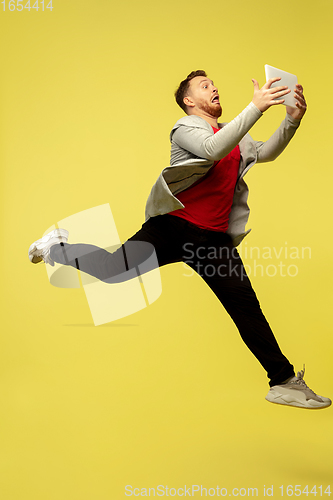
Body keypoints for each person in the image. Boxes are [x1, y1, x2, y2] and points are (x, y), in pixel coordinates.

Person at [29, 70, 331, 409]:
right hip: (174, 229)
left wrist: (291, 120)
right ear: (189, 101)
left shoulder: (234, 134)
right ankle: (55, 247)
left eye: (214, 84)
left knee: (246, 307)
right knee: (112, 269)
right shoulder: (185, 128)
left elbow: (264, 152)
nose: (214, 87)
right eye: (205, 86)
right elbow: (212, 149)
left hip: (214, 242)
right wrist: (256, 108)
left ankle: (284, 382)